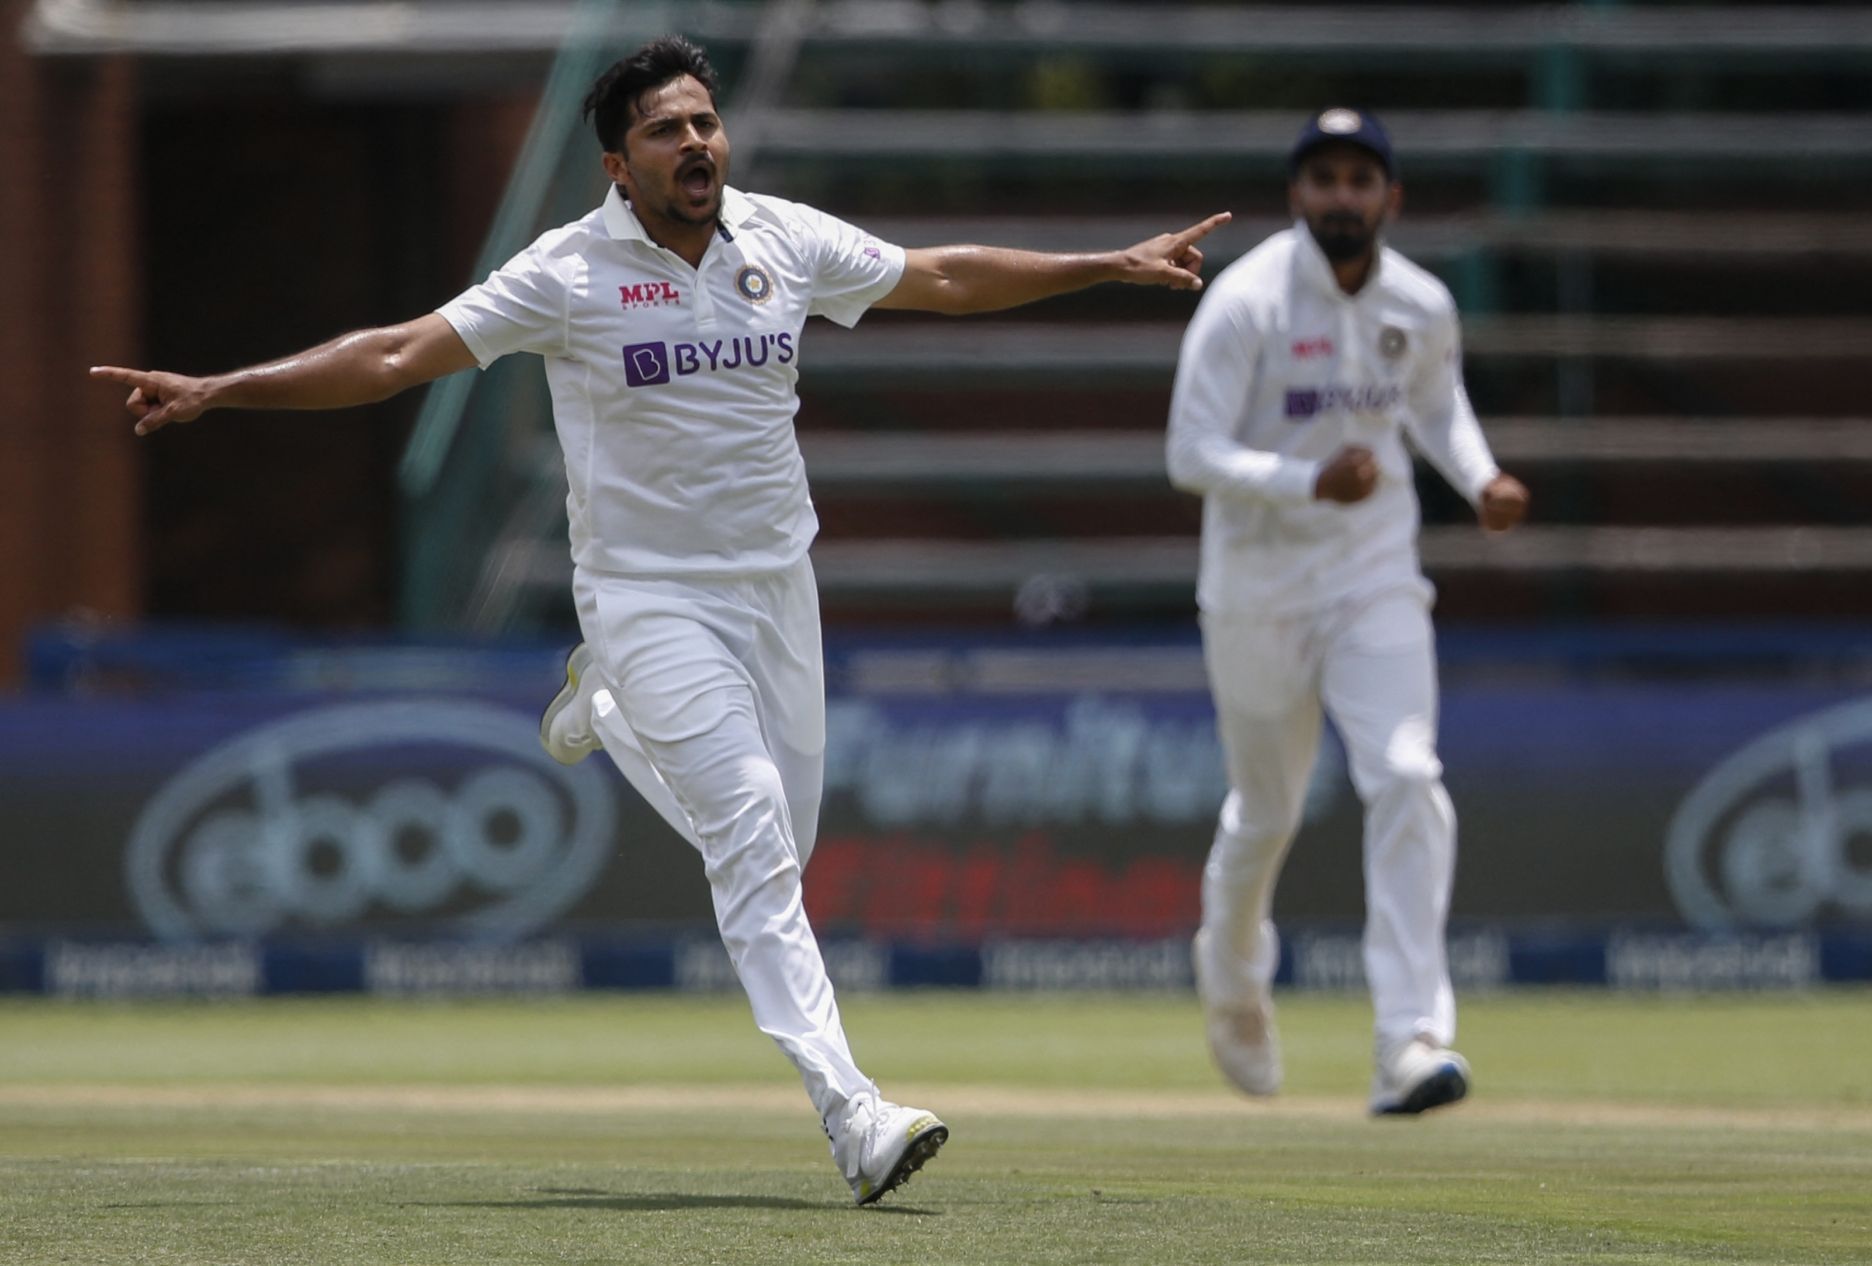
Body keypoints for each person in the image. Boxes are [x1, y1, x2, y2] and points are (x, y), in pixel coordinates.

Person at [93, 36, 1228, 1203]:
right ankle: (853, 1113)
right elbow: (394, 355)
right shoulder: (566, 271)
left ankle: (603, 712)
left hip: (779, 591)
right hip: (648, 597)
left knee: (781, 845)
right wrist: (224, 389)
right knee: (748, 837)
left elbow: (938, 277)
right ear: (614, 167)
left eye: (704, 124)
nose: (696, 145)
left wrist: (1110, 262)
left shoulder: (779, 237)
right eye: (665, 132)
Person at [1165, 108, 1529, 1115]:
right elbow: (1187, 455)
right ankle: (1233, 981)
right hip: (1255, 590)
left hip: (1373, 579)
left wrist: (1481, 477)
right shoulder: (1245, 304)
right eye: (1321, 178)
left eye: (1358, 179)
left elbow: (1436, 405)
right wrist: (1303, 482)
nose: (1340, 196)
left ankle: (1408, 1041)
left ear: (1389, 198)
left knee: (1408, 774)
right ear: (1297, 195)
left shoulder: (1420, 302)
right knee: (1265, 815)